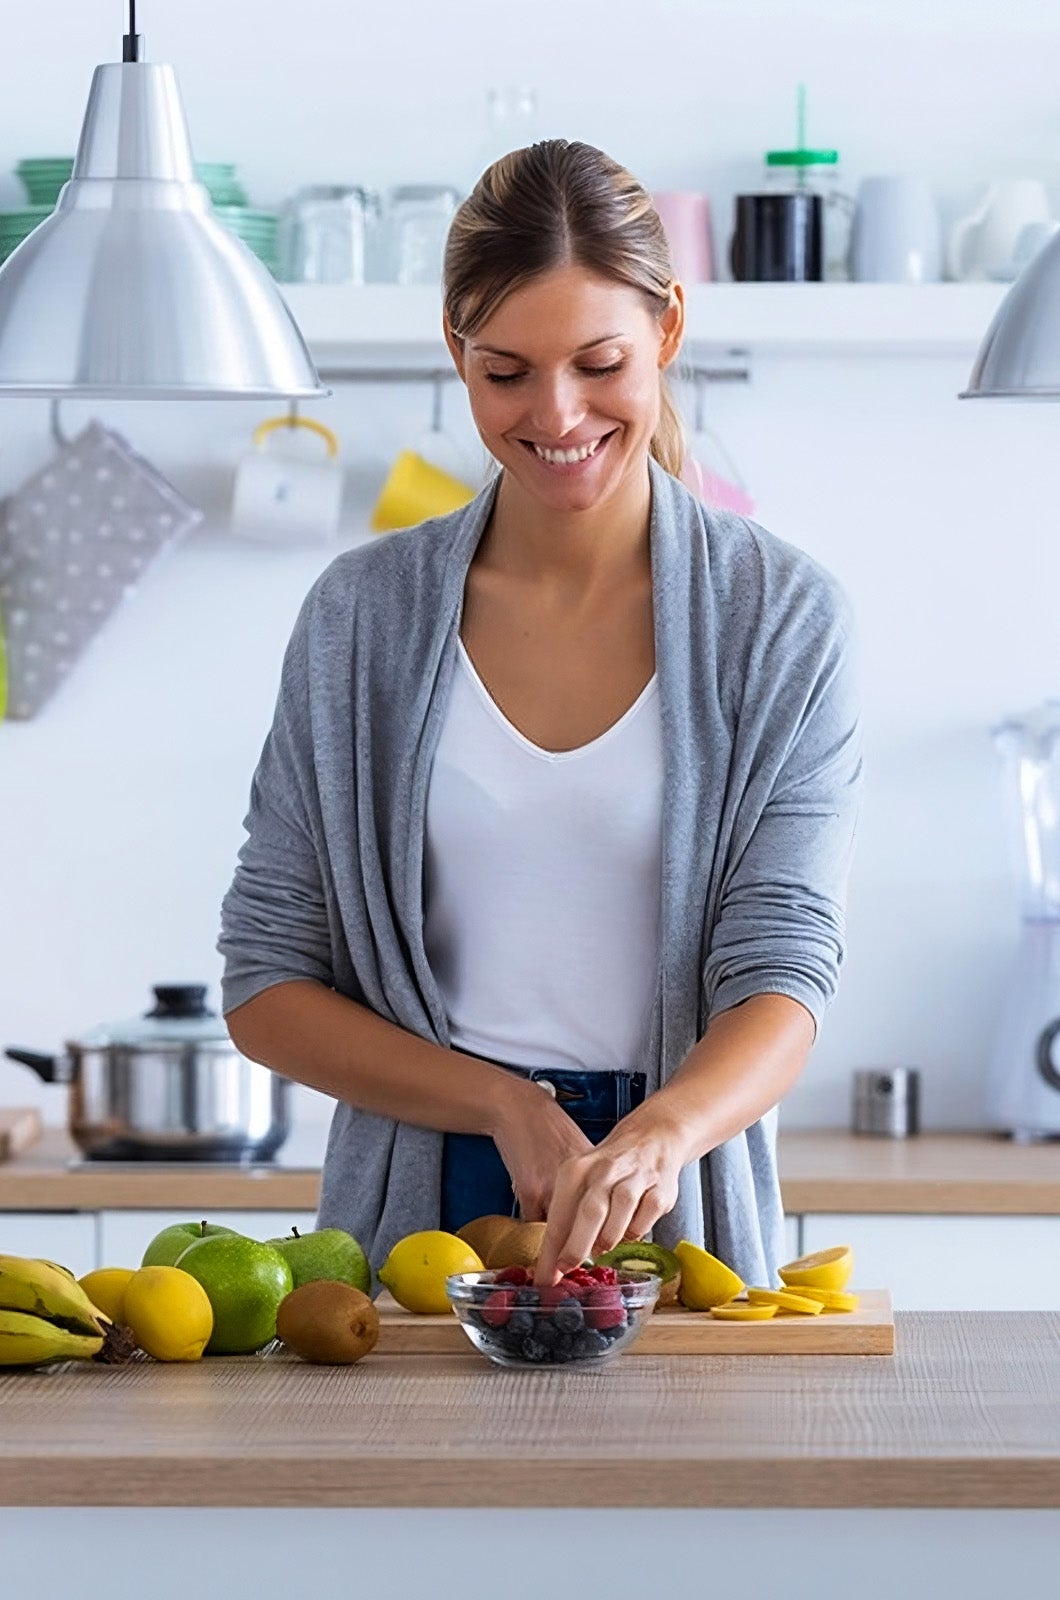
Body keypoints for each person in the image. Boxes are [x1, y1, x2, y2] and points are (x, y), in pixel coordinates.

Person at [219, 139, 862, 1289]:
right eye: (505, 372)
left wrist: (666, 1130)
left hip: (674, 1182)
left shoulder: (781, 616)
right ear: (456, 356)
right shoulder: (358, 618)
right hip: (420, 1196)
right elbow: (267, 985)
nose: (555, 415)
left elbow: (786, 970)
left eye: (598, 362)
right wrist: (499, 1102)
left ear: (667, 331)